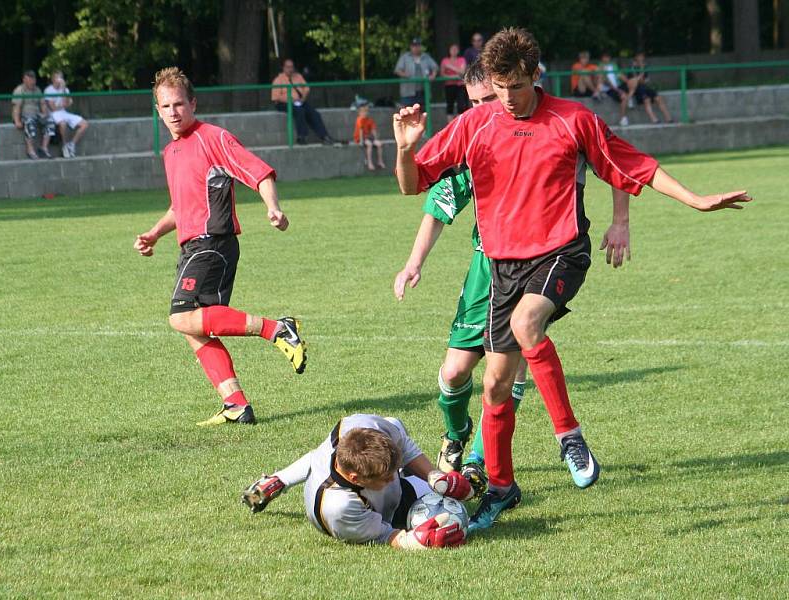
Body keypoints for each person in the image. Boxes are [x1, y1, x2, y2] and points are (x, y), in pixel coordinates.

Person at [392, 27, 750, 532]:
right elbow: (414, 187)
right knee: (494, 387)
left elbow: (632, 165)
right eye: (499, 87)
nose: (508, 98)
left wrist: (695, 199)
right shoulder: (475, 122)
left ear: (536, 76)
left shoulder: (573, 118)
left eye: (516, 86)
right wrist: (406, 148)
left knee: (528, 323)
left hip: (561, 251)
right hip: (502, 266)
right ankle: (500, 488)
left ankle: (569, 435)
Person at [393, 61, 633, 496]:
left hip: (539, 261)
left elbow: (613, 160)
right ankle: (457, 434)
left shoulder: (546, 127)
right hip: (487, 270)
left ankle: (486, 467)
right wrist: (414, 262)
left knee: (510, 366)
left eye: (492, 97)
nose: (487, 108)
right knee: (453, 374)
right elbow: (435, 206)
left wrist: (620, 219)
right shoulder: (474, 145)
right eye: (477, 103)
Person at [134, 67, 308, 426]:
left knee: (180, 316)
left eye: (179, 103)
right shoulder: (171, 152)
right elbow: (179, 207)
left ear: (193, 103)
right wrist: (154, 233)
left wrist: (273, 207)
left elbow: (259, 172)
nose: (173, 112)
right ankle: (236, 404)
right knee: (191, 327)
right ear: (157, 110)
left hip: (214, 242)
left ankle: (277, 329)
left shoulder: (212, 138)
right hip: (191, 247)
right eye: (165, 106)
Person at [242, 413, 472, 549]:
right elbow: (384, 533)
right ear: (355, 478)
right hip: (368, 513)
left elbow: (403, 445)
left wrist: (435, 476)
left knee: (392, 421)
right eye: (387, 477)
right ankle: (278, 480)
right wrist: (414, 541)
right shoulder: (339, 508)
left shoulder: (365, 425)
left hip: (338, 470)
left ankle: (276, 481)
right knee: (451, 514)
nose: (395, 477)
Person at [271, 58, 335, 145]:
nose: (290, 69)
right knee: (299, 111)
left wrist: (303, 98)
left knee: (314, 113)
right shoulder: (278, 80)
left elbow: (306, 88)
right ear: (283, 68)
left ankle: (324, 136)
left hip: (299, 101)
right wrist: (290, 100)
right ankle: (302, 137)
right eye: (288, 67)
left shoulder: (298, 76)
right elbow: (276, 97)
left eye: (291, 67)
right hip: (285, 103)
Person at [11, 70, 56, 160]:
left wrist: (45, 113)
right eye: (30, 80)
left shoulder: (37, 89)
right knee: (30, 122)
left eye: (33, 80)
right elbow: (16, 107)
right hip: (25, 114)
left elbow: (42, 103)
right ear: (24, 80)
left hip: (37, 113)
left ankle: (44, 148)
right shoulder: (19, 90)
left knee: (50, 121)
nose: (32, 82)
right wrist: (17, 121)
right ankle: (30, 150)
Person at [44, 70, 89, 158]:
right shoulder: (48, 90)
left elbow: (67, 103)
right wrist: (63, 105)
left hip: (64, 112)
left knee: (84, 124)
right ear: (53, 79)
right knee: (63, 123)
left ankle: (71, 144)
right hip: (54, 114)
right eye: (57, 77)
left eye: (60, 77)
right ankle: (64, 145)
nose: (59, 80)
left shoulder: (65, 90)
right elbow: (53, 108)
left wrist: (64, 89)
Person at [628, 51, 673, 124]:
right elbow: (639, 81)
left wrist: (642, 72)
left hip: (645, 87)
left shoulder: (645, 66)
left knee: (658, 98)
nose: (641, 58)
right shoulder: (632, 67)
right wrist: (642, 70)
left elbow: (646, 80)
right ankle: (654, 119)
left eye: (642, 56)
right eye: (639, 56)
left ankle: (669, 118)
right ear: (636, 57)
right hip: (637, 88)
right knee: (647, 100)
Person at [394, 38, 438, 108]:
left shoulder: (426, 57)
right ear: (411, 47)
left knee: (422, 113)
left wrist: (433, 75)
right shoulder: (405, 57)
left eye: (418, 46)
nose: (416, 48)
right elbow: (397, 70)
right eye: (414, 46)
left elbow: (435, 67)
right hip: (408, 92)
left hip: (423, 91)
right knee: (408, 113)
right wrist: (405, 75)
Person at [598, 52, 630, 126]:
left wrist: (628, 81)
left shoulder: (613, 65)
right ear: (602, 58)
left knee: (632, 82)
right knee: (624, 97)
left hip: (618, 85)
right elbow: (604, 80)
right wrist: (617, 89)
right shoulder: (600, 66)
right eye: (604, 57)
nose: (606, 59)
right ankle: (623, 118)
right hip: (609, 88)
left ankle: (629, 96)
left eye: (608, 57)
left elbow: (619, 74)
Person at [353, 102, 385, 170]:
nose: (365, 113)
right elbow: (360, 131)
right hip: (360, 137)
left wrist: (376, 139)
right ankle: (370, 163)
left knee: (379, 144)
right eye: (363, 112)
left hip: (368, 137)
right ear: (359, 113)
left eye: (366, 111)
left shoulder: (370, 120)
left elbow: (373, 130)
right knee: (369, 144)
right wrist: (361, 141)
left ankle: (380, 161)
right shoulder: (359, 119)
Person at [440, 43, 468, 121]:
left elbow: (462, 72)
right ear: (449, 51)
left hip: (460, 86)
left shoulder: (462, 59)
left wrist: (450, 67)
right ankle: (451, 126)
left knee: (461, 105)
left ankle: (460, 124)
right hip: (449, 85)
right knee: (450, 106)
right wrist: (454, 76)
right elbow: (442, 74)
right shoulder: (445, 60)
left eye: (456, 49)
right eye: (452, 49)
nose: (454, 51)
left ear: (458, 51)